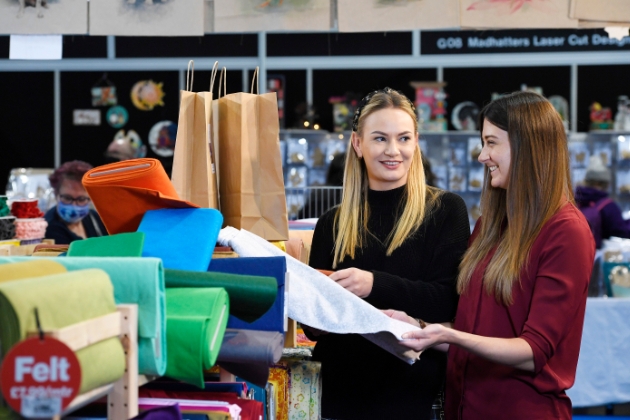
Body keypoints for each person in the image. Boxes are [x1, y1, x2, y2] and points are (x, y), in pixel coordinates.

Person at [389, 91, 595, 419]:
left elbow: (533, 351)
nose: (483, 155)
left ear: (528, 147)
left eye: (492, 142)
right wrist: (420, 328)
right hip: (466, 406)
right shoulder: (492, 224)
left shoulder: (566, 232)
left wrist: (448, 334)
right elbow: (476, 328)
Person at [307, 87, 470, 419]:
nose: (393, 151)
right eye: (380, 138)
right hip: (338, 394)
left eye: (404, 138)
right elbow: (312, 328)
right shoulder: (332, 223)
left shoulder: (444, 210)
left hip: (412, 395)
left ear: (416, 142)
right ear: (358, 143)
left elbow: (448, 301)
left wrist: (372, 284)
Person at [45, 160, 107, 245]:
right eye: (67, 198)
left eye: (81, 199)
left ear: (91, 197)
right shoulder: (49, 227)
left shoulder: (94, 217)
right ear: (56, 194)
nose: (74, 205)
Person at [576, 155, 630, 248]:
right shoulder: (608, 206)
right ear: (603, 183)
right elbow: (621, 230)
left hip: (581, 251)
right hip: (599, 255)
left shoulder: (577, 201)